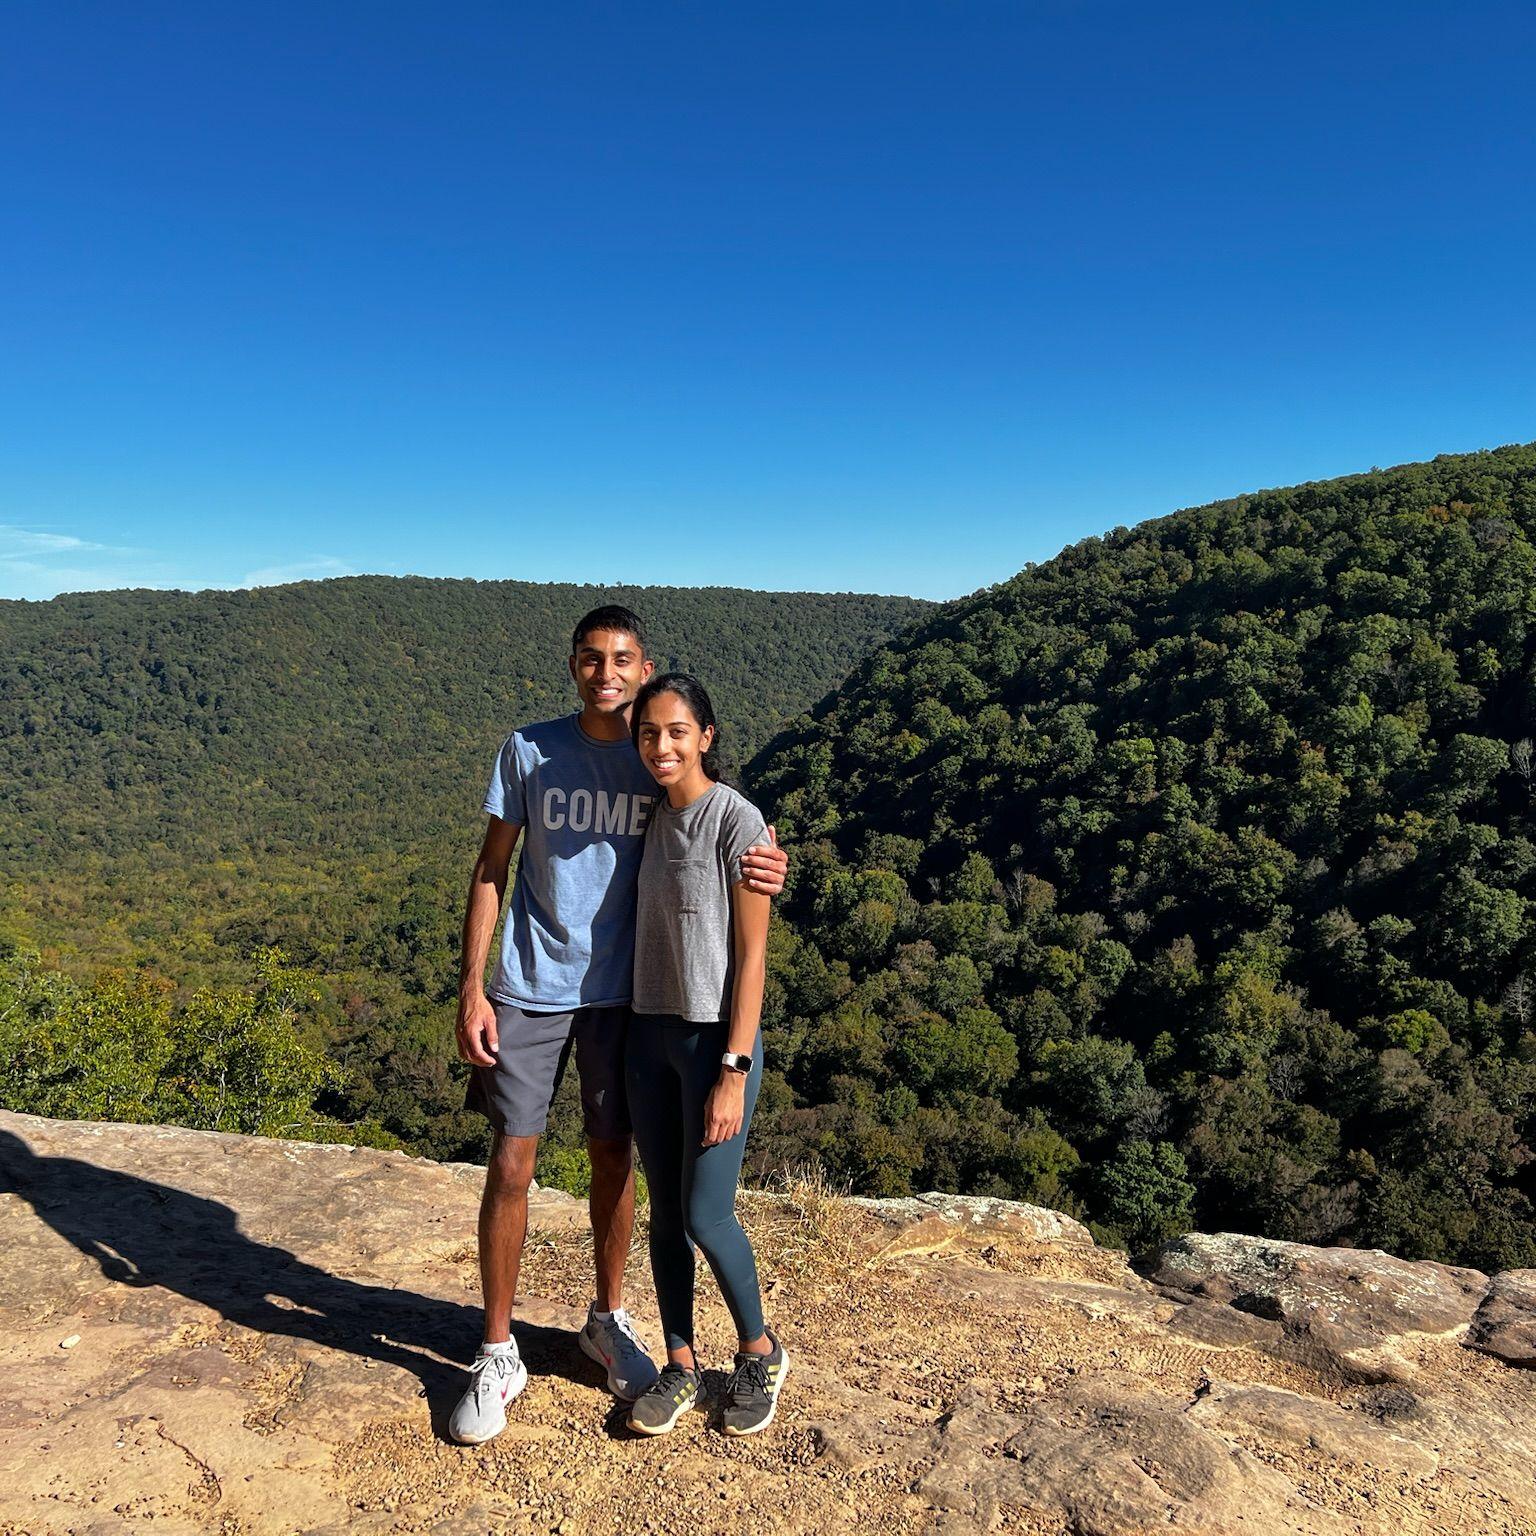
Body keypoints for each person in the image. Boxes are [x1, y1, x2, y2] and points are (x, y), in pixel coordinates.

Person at [448, 609, 787, 1446]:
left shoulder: (658, 762)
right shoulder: (530, 750)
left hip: (627, 1001)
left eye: (623, 658)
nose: (608, 672)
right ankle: (498, 1351)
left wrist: (769, 859)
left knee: (615, 1159)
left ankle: (611, 1319)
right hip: (531, 985)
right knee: (514, 1159)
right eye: (593, 658)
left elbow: (727, 842)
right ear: (573, 666)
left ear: (645, 669)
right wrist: (471, 986)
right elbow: (492, 865)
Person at [621, 673, 788, 1438]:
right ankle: (681, 1362)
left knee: (705, 1212)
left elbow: (752, 958)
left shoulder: (737, 821)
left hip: (714, 1043)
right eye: (649, 733)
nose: (662, 746)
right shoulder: (653, 815)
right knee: (663, 1213)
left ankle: (760, 1351)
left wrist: (735, 1069)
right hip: (646, 1034)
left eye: (677, 732)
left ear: (706, 737)